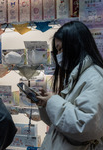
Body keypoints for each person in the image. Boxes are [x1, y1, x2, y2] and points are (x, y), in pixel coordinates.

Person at [35, 21, 103, 150]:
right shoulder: (79, 76)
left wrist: (53, 101)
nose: (59, 55)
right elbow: (63, 125)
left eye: (61, 49)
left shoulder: (95, 78)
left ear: (75, 45)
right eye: (57, 51)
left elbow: (85, 126)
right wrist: (46, 104)